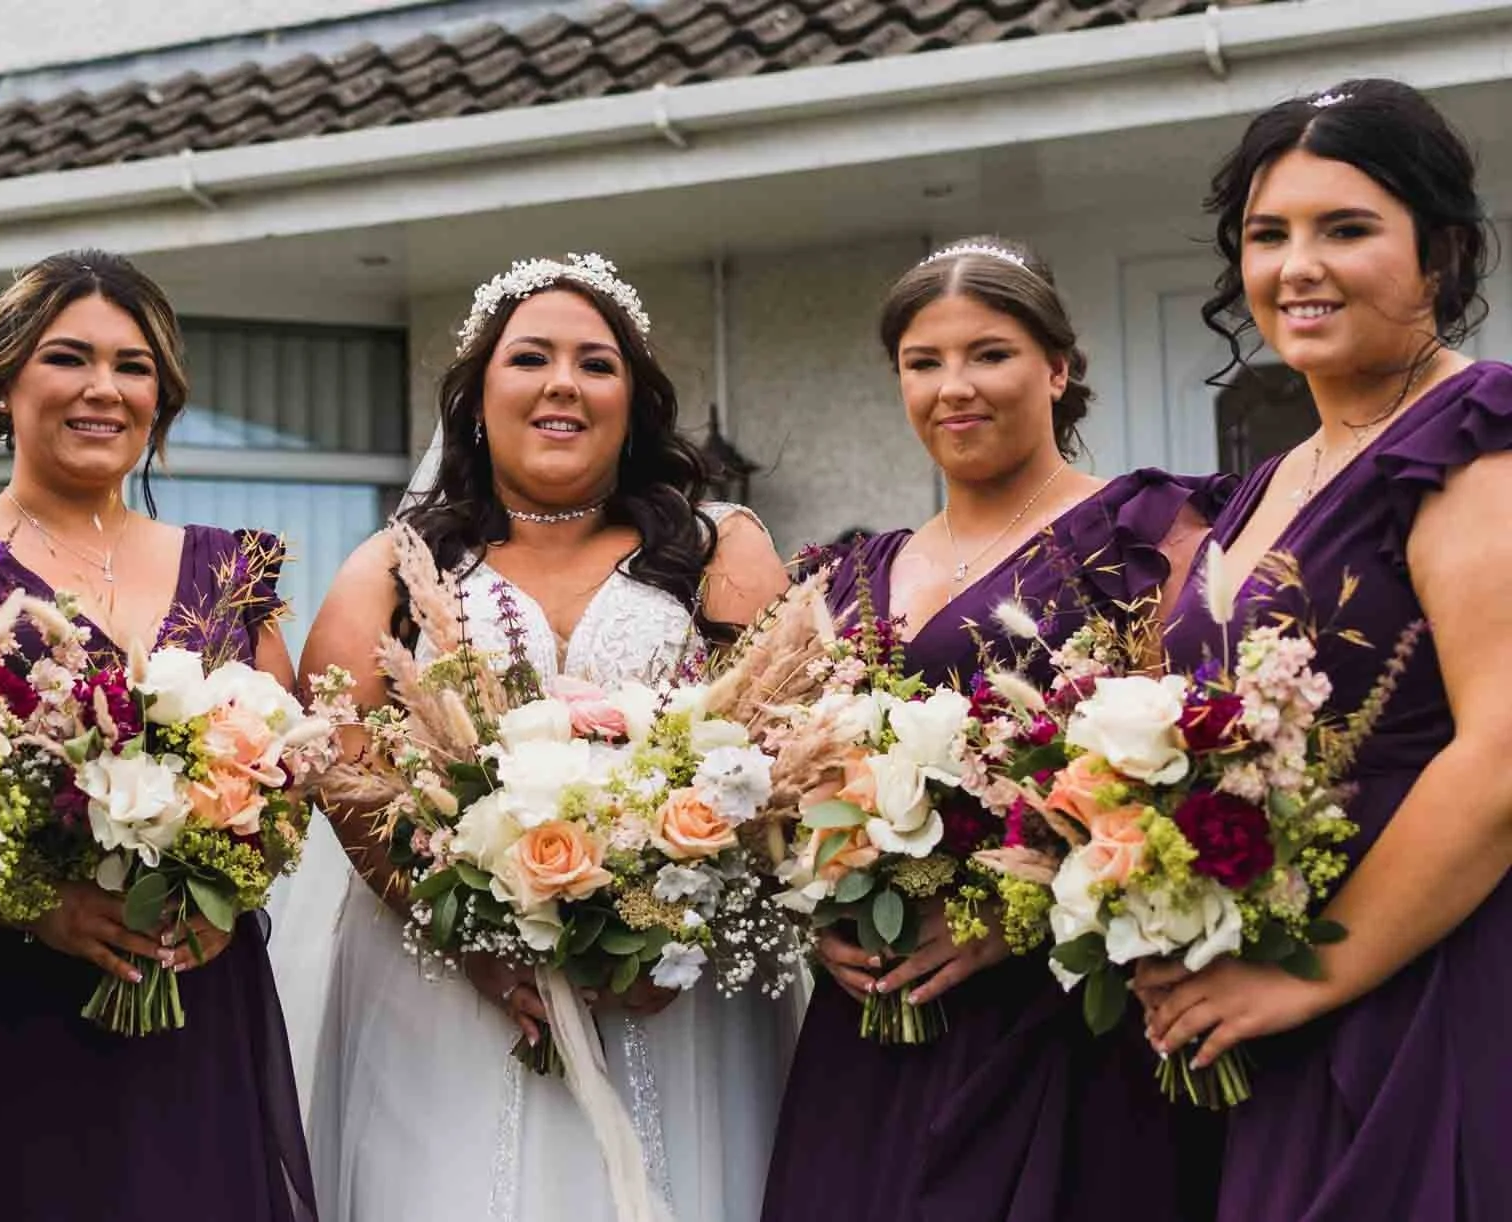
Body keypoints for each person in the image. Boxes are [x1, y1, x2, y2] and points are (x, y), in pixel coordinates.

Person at [293, 254, 792, 1221]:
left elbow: (782, 745)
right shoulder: (396, 565)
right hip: (445, 990)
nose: (564, 383)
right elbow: (340, 769)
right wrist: (474, 939)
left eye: (596, 364)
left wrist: (669, 925)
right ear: (477, 398)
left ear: (634, 403)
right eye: (531, 358)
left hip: (681, 990)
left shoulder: (719, 545)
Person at [761, 236, 1231, 1222]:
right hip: (875, 1025)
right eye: (920, 362)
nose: (951, 387)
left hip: (1059, 1022)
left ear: (1056, 368)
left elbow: (1209, 761)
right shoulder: (845, 578)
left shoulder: (1143, 534)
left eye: (988, 353)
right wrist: (822, 913)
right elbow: (797, 775)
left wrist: (1005, 917)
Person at [1138, 79, 1511, 1221]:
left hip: (1423, 980)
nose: (1296, 266)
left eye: (1344, 229)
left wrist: (1309, 973)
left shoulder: (1474, 441)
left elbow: (1499, 755)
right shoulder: (1270, 478)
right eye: (1266, 234)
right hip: (1276, 983)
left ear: (1438, 253)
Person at [0, 250, 315, 1222]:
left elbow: (289, 770)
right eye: (68, 358)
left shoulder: (228, 570)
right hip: (4, 1006)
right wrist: (34, 905)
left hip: (193, 998)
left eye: (132, 367)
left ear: (161, 399)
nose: (104, 388)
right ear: (5, 382)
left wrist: (225, 892)